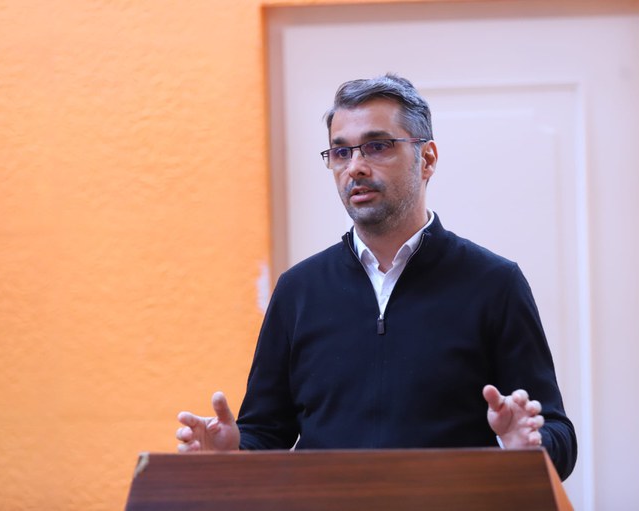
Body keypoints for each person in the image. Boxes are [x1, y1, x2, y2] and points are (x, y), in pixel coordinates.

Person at [176, 74, 577, 480]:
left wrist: (527, 446)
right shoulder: (298, 290)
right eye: (340, 152)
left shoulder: (494, 283)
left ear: (427, 159)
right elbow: (265, 432)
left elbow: (559, 436)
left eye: (377, 146)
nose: (355, 167)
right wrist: (232, 454)